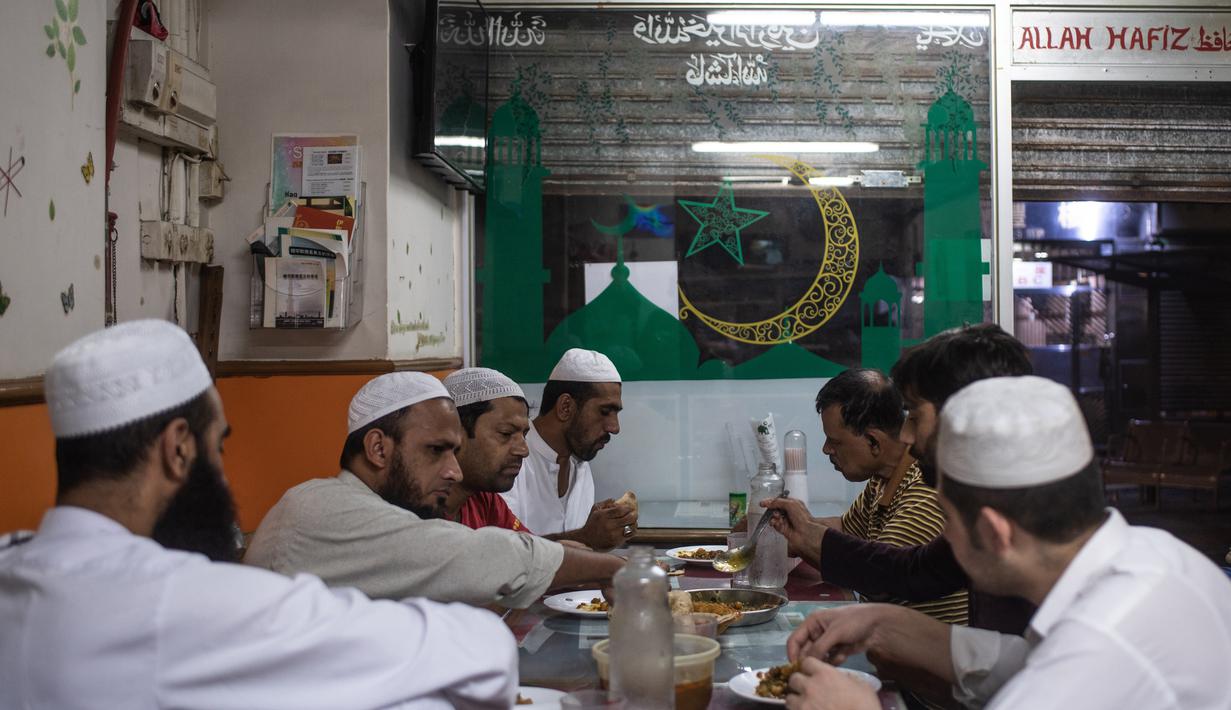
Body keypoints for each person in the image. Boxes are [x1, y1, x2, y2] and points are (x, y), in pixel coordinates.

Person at [0, 320, 516, 709]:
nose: (222, 478)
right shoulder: (179, 603)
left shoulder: (13, 569)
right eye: (217, 449)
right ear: (178, 449)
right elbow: (482, 653)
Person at [783, 376, 1231, 710]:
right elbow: (1021, 659)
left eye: (949, 521)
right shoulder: (1154, 554)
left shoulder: (1093, 656)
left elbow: (1054, 671)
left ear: (995, 533)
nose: (941, 542)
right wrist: (880, 622)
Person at [244, 371, 625, 607]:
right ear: (378, 448)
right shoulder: (321, 509)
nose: (453, 470)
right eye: (436, 451)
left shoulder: (388, 507)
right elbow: (485, 556)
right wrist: (616, 569)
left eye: (453, 451)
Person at [766, 324, 1035, 636]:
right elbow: (912, 571)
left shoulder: (962, 502)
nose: (906, 435)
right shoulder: (985, 513)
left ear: (966, 417)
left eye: (916, 416)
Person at [812, 368, 967, 628]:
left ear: (874, 441)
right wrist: (786, 525)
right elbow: (848, 532)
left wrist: (802, 535)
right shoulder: (883, 477)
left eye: (835, 442)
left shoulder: (924, 488)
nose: (826, 449)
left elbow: (879, 578)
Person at [501, 348, 637, 550]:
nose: (614, 428)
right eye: (605, 411)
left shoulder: (579, 462)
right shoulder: (510, 460)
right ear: (566, 407)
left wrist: (612, 533)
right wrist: (585, 537)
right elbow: (503, 556)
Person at [441, 366, 534, 532]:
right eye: (506, 433)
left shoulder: (486, 500)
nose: (524, 450)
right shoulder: (414, 514)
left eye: (524, 435)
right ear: (455, 433)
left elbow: (527, 549)